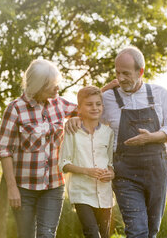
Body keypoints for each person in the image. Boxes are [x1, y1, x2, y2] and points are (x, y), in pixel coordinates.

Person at [66, 46, 167, 238]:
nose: (120, 78)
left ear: (140, 71)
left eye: (126, 73)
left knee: (152, 230)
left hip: (156, 171)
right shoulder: (108, 98)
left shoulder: (160, 94)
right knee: (137, 230)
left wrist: (152, 137)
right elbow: (87, 107)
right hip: (124, 173)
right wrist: (77, 118)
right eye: (117, 73)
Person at [0, 59, 77, 238]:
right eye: (52, 85)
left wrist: (74, 118)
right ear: (38, 86)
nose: (58, 88)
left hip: (54, 185)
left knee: (47, 235)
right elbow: (4, 151)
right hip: (24, 188)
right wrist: (12, 188)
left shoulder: (59, 104)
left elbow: (90, 107)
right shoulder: (15, 109)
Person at [58, 86, 115, 238]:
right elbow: (63, 164)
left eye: (98, 104)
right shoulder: (72, 132)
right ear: (79, 109)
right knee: (92, 233)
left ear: (103, 106)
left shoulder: (108, 133)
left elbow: (111, 163)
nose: (95, 108)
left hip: (104, 193)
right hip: (81, 193)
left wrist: (111, 174)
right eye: (89, 104)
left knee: (105, 235)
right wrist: (87, 171)